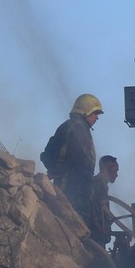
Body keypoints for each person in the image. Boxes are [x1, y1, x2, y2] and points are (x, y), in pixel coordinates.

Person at [41, 94, 105, 224]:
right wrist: (57, 170)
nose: (97, 117)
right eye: (95, 113)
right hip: (70, 190)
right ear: (86, 110)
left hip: (79, 191)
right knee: (69, 224)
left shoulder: (80, 128)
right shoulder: (76, 127)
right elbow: (65, 156)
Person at [89, 155, 119, 246]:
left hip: (100, 236)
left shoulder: (102, 186)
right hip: (94, 236)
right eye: (115, 170)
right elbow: (91, 210)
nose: (117, 175)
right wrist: (99, 228)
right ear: (106, 168)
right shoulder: (96, 185)